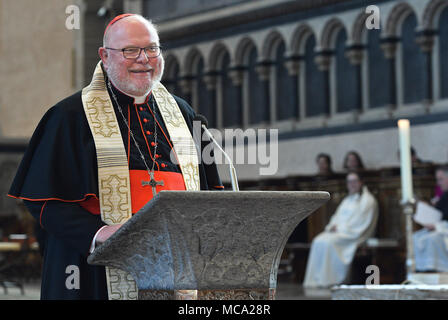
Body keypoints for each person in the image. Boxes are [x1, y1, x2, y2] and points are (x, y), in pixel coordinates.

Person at [7, 14, 224, 300]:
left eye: (151, 48)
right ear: (104, 56)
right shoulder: (69, 117)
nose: (143, 59)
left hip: (177, 265)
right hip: (96, 270)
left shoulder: (183, 114)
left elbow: (211, 194)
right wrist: (100, 234)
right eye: (130, 50)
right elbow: (45, 204)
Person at [303, 171, 378, 288]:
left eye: (354, 181)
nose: (351, 184)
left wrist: (340, 228)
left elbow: (360, 223)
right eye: (349, 182)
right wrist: (332, 226)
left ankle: (330, 280)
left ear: (361, 182)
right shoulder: (347, 200)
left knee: (328, 243)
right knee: (318, 241)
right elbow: (336, 217)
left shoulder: (368, 200)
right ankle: (317, 280)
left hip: (353, 235)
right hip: (340, 232)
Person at [413, 166, 448, 272]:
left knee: (432, 239)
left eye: (441, 179)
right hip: (441, 228)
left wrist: (436, 226)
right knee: (416, 237)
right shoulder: (444, 196)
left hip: (444, 230)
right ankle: (421, 270)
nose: (438, 183)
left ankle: (434, 270)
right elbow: (439, 214)